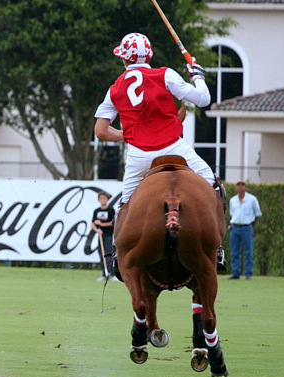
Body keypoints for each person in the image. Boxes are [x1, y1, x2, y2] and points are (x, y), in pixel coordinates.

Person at [93, 32, 226, 268]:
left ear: (124, 58)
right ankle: (216, 249)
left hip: (138, 155)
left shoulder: (114, 89)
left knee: (125, 206)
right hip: (173, 147)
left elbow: (101, 131)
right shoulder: (165, 74)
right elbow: (203, 99)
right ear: (149, 56)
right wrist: (198, 76)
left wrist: (129, 134)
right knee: (213, 186)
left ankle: (117, 256)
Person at [227, 180, 262, 280]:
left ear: (245, 188)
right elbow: (232, 214)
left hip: (247, 228)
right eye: (238, 185)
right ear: (236, 188)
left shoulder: (252, 199)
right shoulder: (233, 200)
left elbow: (257, 214)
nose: (240, 187)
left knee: (248, 252)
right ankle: (235, 273)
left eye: (242, 185)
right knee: (235, 252)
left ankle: (248, 273)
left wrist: (251, 224)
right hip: (235, 228)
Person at [91, 191, 117, 281]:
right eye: (101, 198)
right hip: (100, 236)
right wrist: (97, 230)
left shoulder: (110, 210)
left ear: (107, 199)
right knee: (101, 254)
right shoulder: (96, 211)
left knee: (109, 254)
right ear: (98, 200)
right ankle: (104, 274)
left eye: (104, 198)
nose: (102, 200)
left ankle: (113, 274)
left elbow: (112, 222)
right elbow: (93, 223)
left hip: (109, 235)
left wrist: (102, 224)